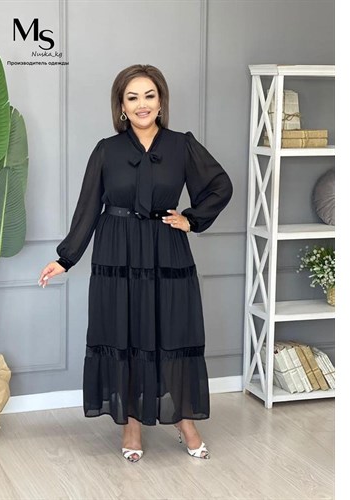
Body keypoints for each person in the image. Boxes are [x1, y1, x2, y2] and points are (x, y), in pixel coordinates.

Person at [38, 64, 233, 463]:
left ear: (161, 102)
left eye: (149, 95)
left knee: (174, 332)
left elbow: (220, 185)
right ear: (122, 107)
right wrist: (65, 258)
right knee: (124, 334)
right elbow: (88, 208)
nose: (142, 104)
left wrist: (191, 220)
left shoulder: (181, 145)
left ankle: (184, 419)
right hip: (118, 252)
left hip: (167, 250)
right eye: (132, 97)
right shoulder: (107, 150)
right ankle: (130, 423)